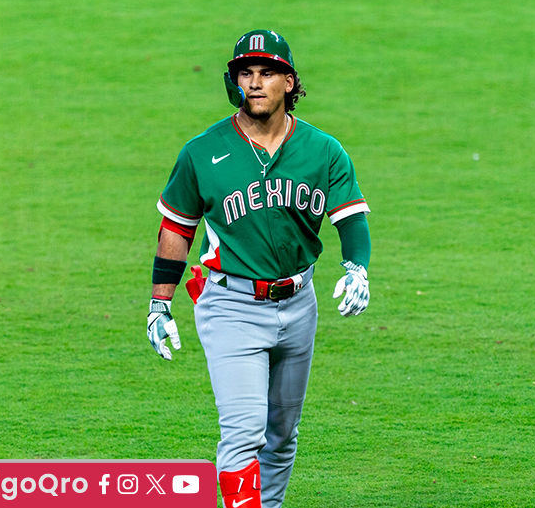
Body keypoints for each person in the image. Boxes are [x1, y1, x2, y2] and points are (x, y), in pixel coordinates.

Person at [145, 29, 372, 508]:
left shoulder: (323, 150)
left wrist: (357, 268)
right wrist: (159, 301)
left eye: (267, 73)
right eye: (245, 73)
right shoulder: (202, 152)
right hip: (230, 304)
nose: (255, 82)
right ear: (234, 82)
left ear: (289, 82)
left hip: (299, 303)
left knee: (281, 435)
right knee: (244, 433)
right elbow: (177, 228)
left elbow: (350, 216)